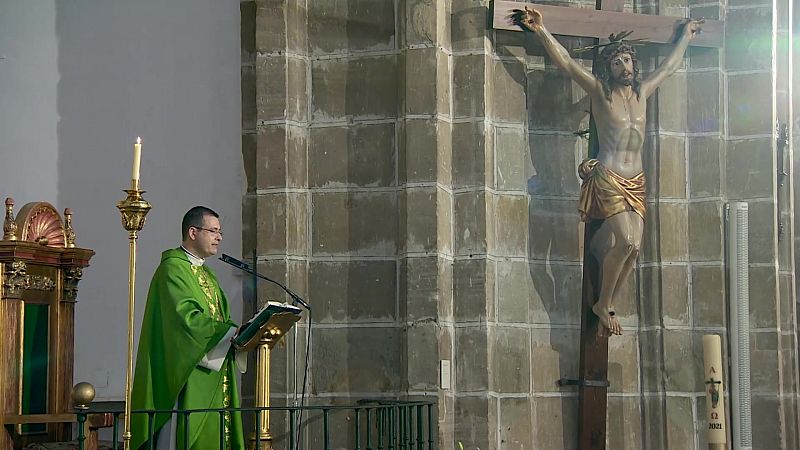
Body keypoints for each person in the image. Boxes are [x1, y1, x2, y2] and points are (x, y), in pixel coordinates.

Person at [513, 7, 703, 336]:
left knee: (635, 249)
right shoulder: (601, 94)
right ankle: (603, 303)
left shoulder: (643, 93)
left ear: (633, 64)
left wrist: (685, 37)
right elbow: (567, 64)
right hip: (609, 176)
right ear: (609, 69)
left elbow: (670, 67)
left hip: (637, 180)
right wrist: (541, 31)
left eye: (627, 61)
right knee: (627, 240)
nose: (624, 67)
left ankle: (607, 296)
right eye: (617, 63)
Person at [131, 206, 245, 450]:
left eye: (220, 231)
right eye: (213, 231)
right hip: (188, 373)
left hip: (213, 370)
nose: (219, 237)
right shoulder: (173, 269)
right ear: (193, 232)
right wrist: (229, 332)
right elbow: (185, 319)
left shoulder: (207, 274)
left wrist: (236, 332)